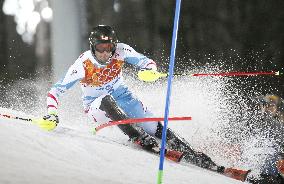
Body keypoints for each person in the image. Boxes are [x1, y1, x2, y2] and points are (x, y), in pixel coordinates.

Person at [40, 25, 249, 181]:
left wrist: (149, 70)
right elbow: (56, 90)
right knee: (105, 100)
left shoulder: (121, 50)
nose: (105, 53)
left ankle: (201, 159)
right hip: (97, 108)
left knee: (154, 125)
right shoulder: (83, 64)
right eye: (100, 48)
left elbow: (145, 61)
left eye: (108, 48)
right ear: (92, 47)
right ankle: (138, 138)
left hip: (123, 96)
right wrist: (51, 112)